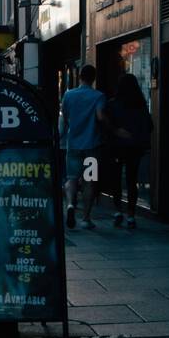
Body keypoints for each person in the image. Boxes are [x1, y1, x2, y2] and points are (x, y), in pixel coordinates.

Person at [60, 64, 108, 230]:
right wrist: (112, 128)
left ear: (79, 77)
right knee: (89, 182)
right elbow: (101, 117)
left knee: (71, 178)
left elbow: (65, 118)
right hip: (92, 147)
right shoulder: (99, 96)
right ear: (93, 78)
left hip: (72, 145)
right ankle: (86, 219)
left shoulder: (68, 95)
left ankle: (70, 206)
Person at [106, 73, 153, 229]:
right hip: (135, 147)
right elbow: (149, 126)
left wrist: (117, 132)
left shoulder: (112, 104)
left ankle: (118, 211)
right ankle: (131, 215)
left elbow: (106, 126)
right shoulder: (140, 105)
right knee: (132, 181)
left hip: (117, 147)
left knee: (116, 179)